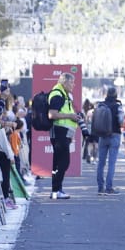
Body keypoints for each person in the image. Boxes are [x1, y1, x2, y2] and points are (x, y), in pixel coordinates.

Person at [45, 70, 81, 199]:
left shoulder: (63, 94)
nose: (73, 85)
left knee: (58, 163)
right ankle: (56, 190)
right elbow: (52, 114)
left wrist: (73, 117)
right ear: (64, 82)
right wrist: (70, 116)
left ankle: (56, 191)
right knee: (63, 162)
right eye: (71, 82)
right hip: (59, 132)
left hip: (64, 133)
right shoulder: (57, 94)